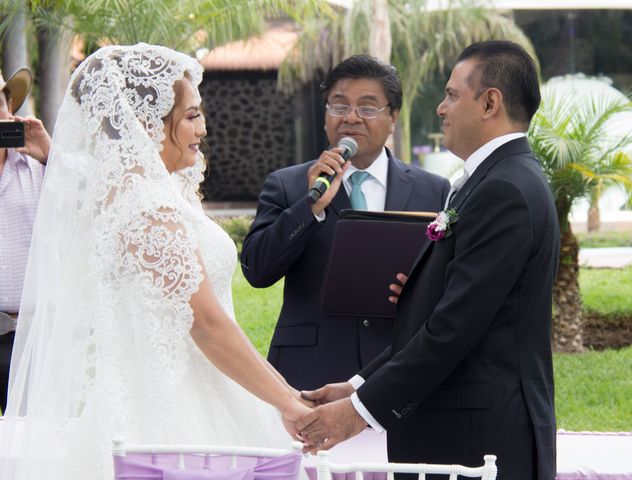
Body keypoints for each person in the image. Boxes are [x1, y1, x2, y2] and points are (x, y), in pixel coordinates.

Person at [0, 44, 309, 480]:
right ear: (147, 123)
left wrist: (285, 393)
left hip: (210, 391)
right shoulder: (146, 208)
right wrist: (287, 403)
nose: (203, 128)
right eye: (191, 115)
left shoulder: (158, 195)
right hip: (171, 414)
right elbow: (204, 323)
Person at [297, 40, 560, 480]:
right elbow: (439, 312)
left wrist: (357, 412)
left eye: (452, 95)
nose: (441, 108)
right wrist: (357, 385)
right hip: (456, 431)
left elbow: (453, 328)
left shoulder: (506, 190)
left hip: (478, 441)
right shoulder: (490, 180)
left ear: (490, 102)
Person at [241, 55, 449, 390]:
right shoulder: (288, 184)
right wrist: (309, 208)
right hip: (310, 369)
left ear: (393, 117)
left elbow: (448, 282)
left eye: (367, 108)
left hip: (396, 370)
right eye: (339, 106)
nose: (351, 117)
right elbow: (257, 270)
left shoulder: (434, 190)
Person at [0, 66, 51, 413]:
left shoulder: (38, 165)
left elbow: (85, 209)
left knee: (32, 451)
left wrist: (51, 156)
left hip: (29, 336)